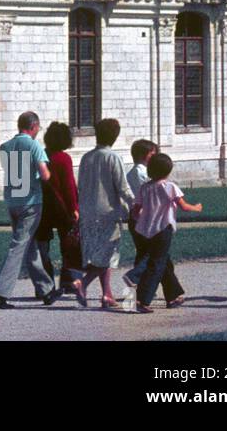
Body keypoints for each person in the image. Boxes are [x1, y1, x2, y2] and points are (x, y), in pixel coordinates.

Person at [0, 111, 57, 309]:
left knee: (29, 244)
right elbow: (44, 174)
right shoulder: (34, 145)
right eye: (37, 128)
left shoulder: (5, 147)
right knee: (18, 247)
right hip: (31, 201)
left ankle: (46, 290)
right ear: (33, 126)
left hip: (13, 201)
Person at [128, 153, 203, 313]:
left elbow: (136, 210)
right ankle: (143, 299)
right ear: (168, 170)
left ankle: (173, 296)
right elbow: (183, 206)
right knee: (156, 264)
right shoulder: (170, 187)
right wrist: (196, 207)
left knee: (164, 262)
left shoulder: (145, 187)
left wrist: (139, 217)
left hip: (146, 230)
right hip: (163, 229)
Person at [76, 118, 135, 308]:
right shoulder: (112, 157)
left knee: (99, 254)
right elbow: (123, 188)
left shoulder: (87, 157)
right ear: (115, 136)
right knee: (108, 253)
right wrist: (136, 205)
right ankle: (82, 283)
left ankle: (106, 294)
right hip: (108, 213)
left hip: (88, 212)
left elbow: (82, 186)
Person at [122, 139, 186, 306]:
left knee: (160, 257)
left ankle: (173, 294)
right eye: (153, 154)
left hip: (140, 219)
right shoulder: (142, 174)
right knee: (155, 257)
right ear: (145, 155)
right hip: (149, 220)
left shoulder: (131, 173)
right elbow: (154, 194)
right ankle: (136, 277)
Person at [37, 121, 81, 297]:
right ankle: (67, 280)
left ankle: (46, 284)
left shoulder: (42, 155)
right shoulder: (64, 159)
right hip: (62, 207)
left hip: (44, 206)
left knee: (43, 246)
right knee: (68, 245)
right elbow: (69, 187)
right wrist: (74, 208)